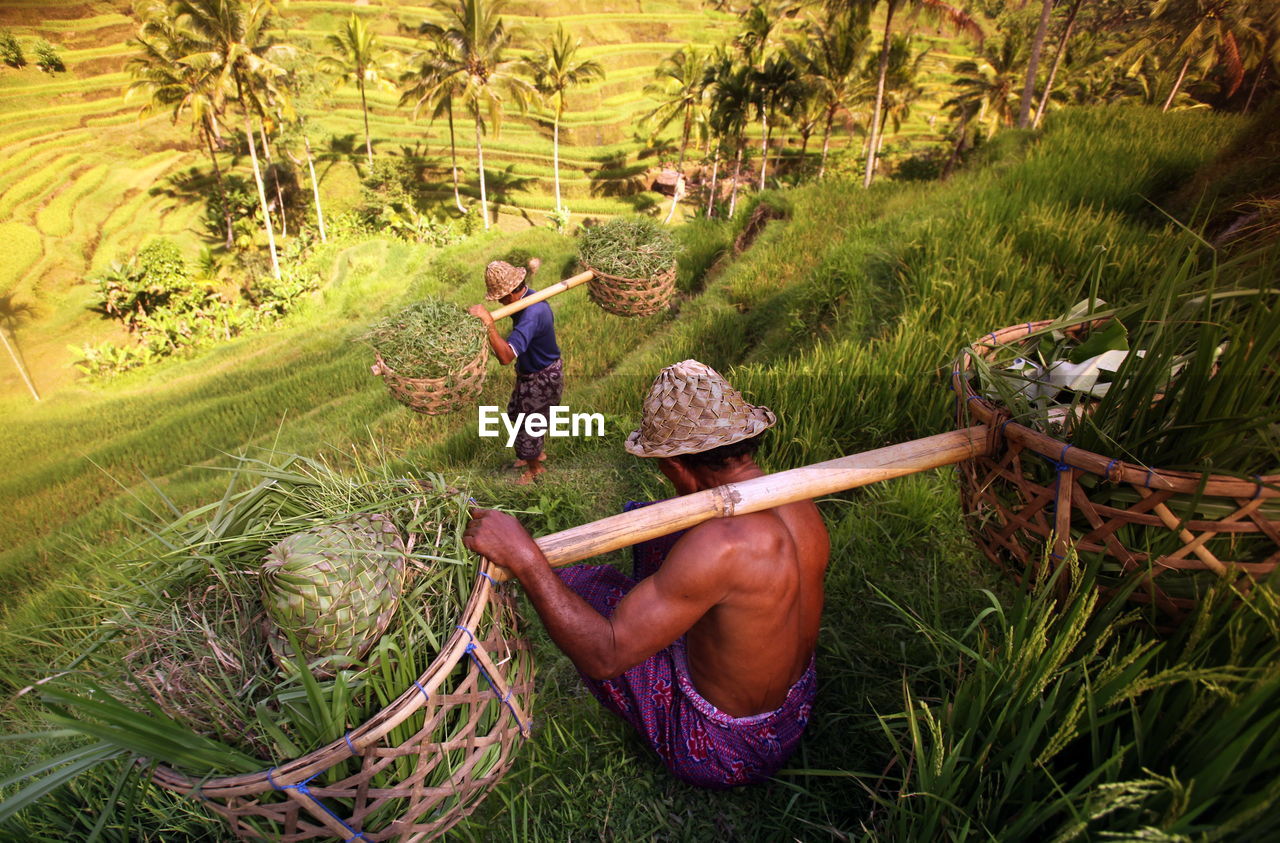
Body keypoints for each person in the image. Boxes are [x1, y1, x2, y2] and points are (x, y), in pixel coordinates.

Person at [464, 359, 830, 787]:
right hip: (795, 706)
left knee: (582, 588)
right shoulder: (795, 495)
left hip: (727, 749)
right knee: (653, 530)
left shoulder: (721, 546)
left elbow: (605, 654)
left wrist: (526, 559)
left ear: (674, 466)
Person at [469, 258, 562, 485]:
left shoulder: (532, 313)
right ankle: (534, 453)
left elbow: (505, 357)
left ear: (511, 292)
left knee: (528, 427)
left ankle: (535, 468)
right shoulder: (526, 297)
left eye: (500, 297)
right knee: (514, 415)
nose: (500, 302)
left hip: (542, 377)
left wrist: (489, 324)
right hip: (529, 372)